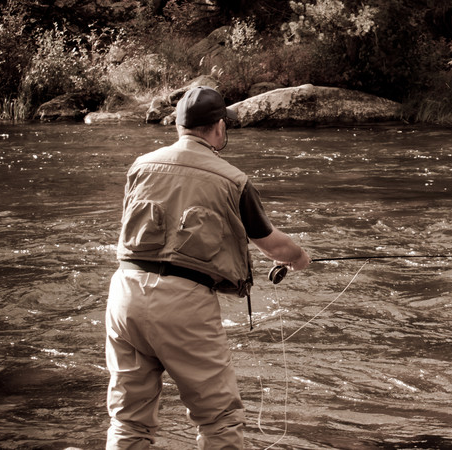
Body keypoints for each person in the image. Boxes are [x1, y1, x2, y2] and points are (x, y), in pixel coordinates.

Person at [105, 86, 310, 449]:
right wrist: (298, 257)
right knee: (220, 419)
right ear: (218, 127)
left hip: (124, 293)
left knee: (129, 418)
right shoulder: (233, 179)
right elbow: (271, 243)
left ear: (179, 127)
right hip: (183, 302)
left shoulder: (141, 165)